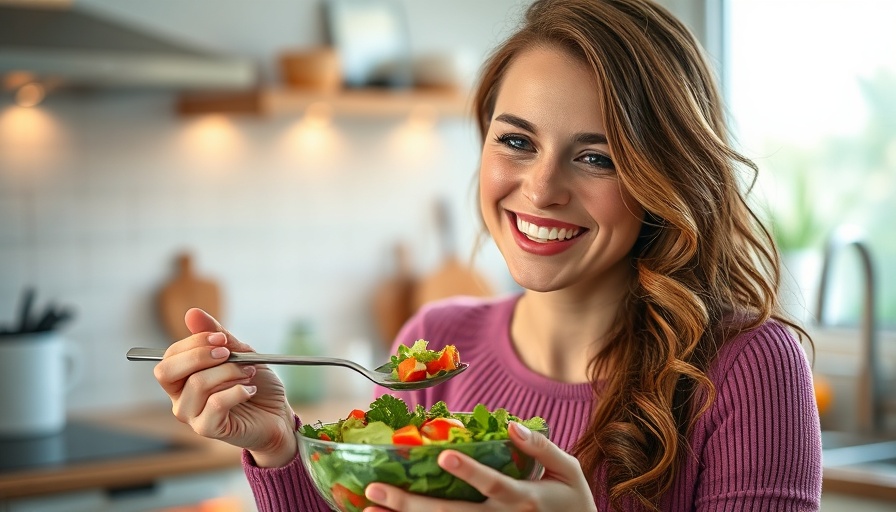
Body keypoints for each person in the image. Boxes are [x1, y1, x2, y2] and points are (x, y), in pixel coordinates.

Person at [151, 0, 823, 510]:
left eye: (597, 157)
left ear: (663, 175)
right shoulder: (433, 345)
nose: (541, 189)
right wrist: (280, 448)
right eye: (517, 142)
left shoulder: (747, 369)